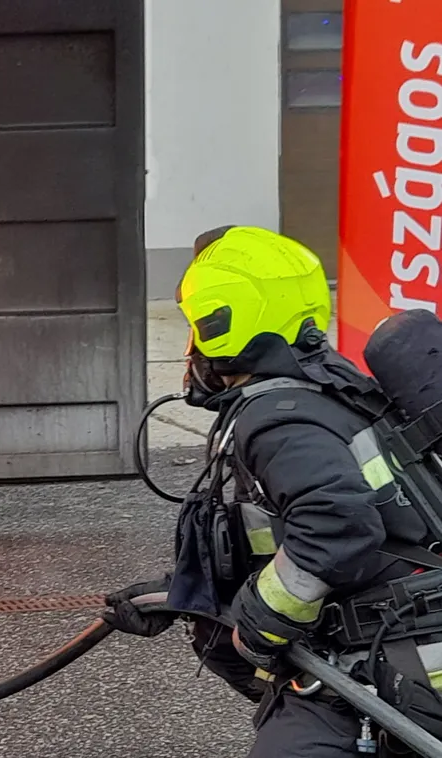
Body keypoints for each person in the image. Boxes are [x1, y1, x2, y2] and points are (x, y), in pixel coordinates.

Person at [105, 225, 442, 756]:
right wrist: (185, 595)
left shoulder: (276, 419)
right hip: (398, 646)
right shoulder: (329, 393)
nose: (190, 345)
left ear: (222, 324)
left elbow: (337, 524)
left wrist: (260, 621)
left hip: (394, 663)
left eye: (195, 326)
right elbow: (281, 535)